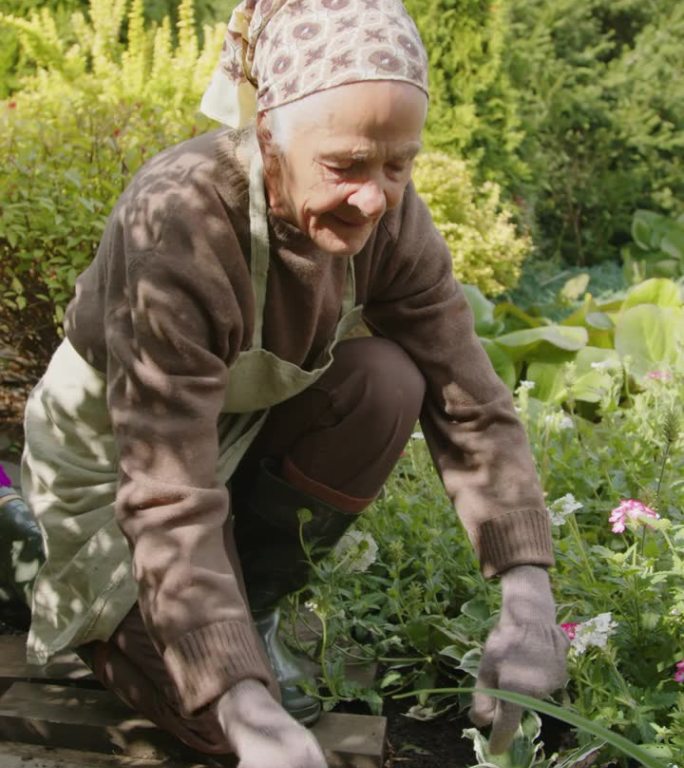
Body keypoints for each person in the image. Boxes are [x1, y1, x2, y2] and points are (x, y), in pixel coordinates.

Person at [0, 0, 569, 764]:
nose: (375, 198)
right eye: (345, 167)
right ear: (270, 133)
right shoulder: (182, 219)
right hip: (118, 465)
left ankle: (250, 610)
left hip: (226, 438)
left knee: (386, 383)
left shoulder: (392, 224)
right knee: (215, 720)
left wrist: (527, 598)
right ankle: (32, 554)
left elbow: (470, 401)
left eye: (398, 165)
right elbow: (168, 490)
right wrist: (238, 697)